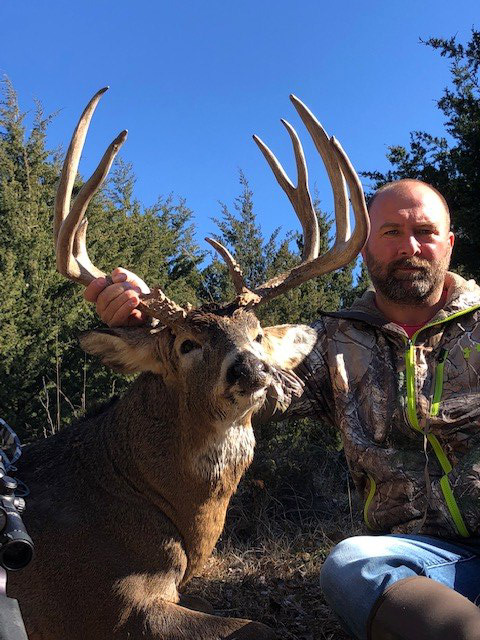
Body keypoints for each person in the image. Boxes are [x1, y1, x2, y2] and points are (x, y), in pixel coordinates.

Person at [84, 179, 480, 640]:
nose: (409, 246)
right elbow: (245, 389)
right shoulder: (336, 342)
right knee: (351, 566)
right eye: (390, 232)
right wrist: (156, 327)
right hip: (416, 558)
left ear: (449, 243)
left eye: (426, 232)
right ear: (363, 247)